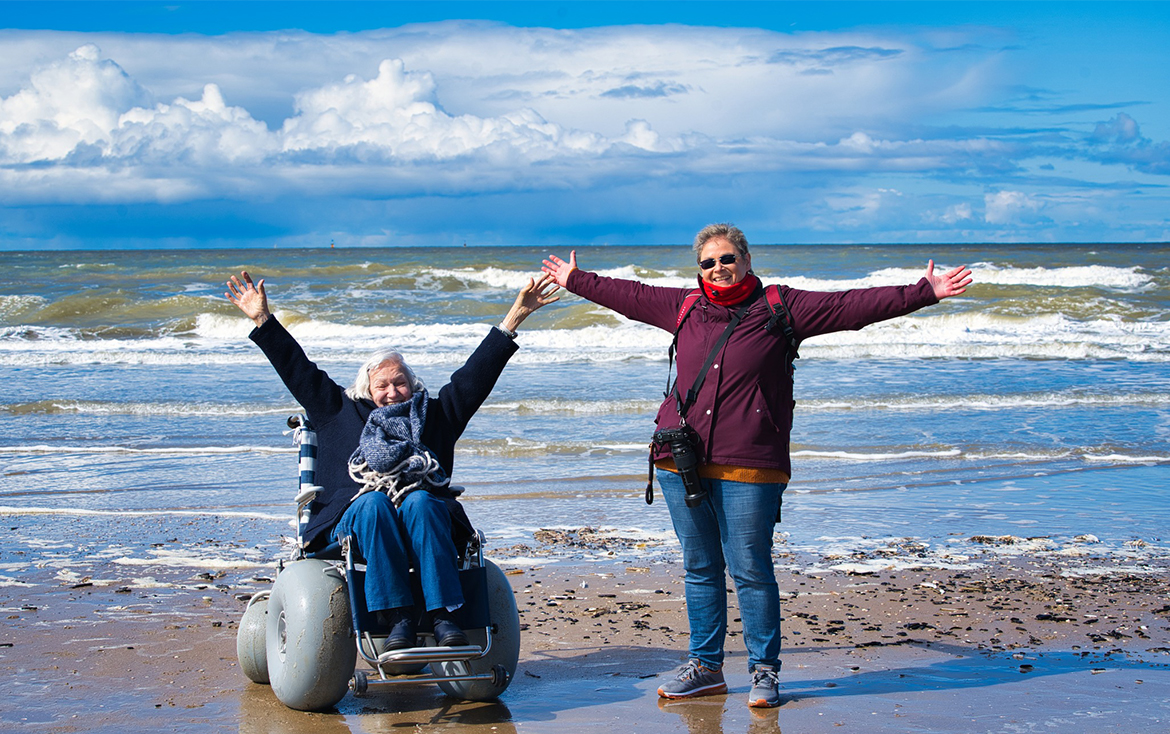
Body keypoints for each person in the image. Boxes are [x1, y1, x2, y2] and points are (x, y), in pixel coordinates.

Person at [543, 224, 971, 708]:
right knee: (700, 567)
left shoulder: (780, 306)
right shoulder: (683, 307)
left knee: (750, 567)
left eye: (727, 258)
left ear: (746, 259)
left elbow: (850, 307)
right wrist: (576, 280)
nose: (718, 269)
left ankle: (764, 671)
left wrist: (922, 292)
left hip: (751, 463)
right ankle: (705, 668)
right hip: (678, 459)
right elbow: (630, 294)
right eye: (707, 262)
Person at [226, 270, 559, 649]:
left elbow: (474, 377)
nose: (391, 392)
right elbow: (297, 369)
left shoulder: (435, 415)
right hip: (354, 519)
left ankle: (442, 616)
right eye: (381, 385)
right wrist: (262, 320)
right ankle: (397, 617)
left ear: (413, 385)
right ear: (365, 388)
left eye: (399, 382)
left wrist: (513, 319)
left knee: (420, 500)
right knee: (373, 503)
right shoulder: (339, 412)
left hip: (423, 517)